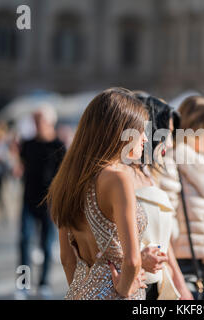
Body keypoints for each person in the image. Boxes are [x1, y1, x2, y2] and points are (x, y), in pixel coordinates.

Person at [46, 88, 149, 300]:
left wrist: (86, 291)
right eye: (141, 131)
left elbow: (66, 258)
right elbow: (132, 260)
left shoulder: (67, 179)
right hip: (116, 291)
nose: (146, 139)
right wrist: (123, 290)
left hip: (80, 291)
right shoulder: (118, 178)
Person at [161, 95, 204, 300]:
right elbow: (164, 227)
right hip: (178, 268)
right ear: (191, 127)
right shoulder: (172, 161)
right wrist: (176, 279)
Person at [134, 93, 193, 300]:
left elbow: (163, 243)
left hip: (155, 283)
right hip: (132, 285)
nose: (169, 141)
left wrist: (180, 285)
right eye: (165, 131)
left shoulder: (151, 175)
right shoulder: (119, 177)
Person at [16, 104, 66, 299]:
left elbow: (63, 175)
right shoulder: (27, 144)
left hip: (49, 202)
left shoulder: (59, 146)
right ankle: (23, 284)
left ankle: (44, 283)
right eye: (34, 121)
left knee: (46, 244)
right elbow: (22, 164)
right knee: (24, 241)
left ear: (49, 121)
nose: (36, 125)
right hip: (28, 199)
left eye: (40, 120)